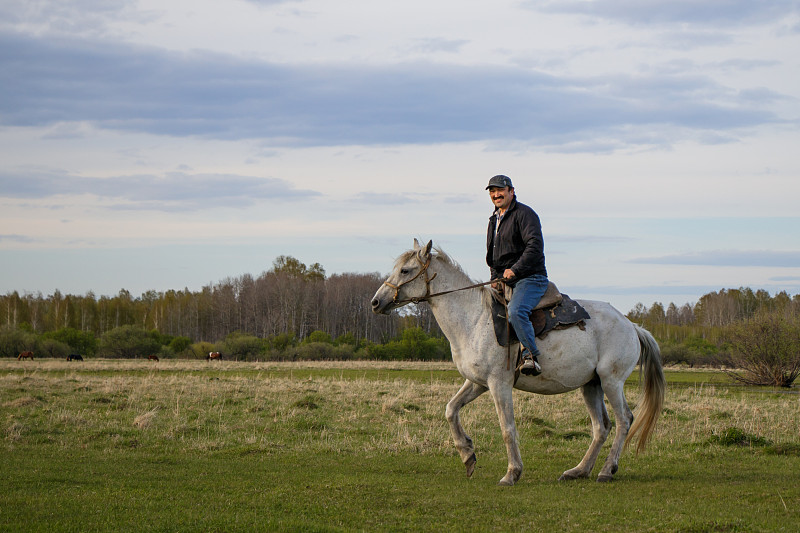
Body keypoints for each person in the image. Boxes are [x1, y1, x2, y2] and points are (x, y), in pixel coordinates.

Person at [485, 174, 549, 376]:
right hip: (506, 280)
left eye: (500, 191)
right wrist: (495, 276)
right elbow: (493, 255)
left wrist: (515, 269)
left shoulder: (525, 214)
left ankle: (530, 355)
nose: (496, 195)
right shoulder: (494, 219)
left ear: (511, 191)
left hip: (530, 278)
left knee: (516, 311)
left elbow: (535, 246)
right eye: (492, 192)